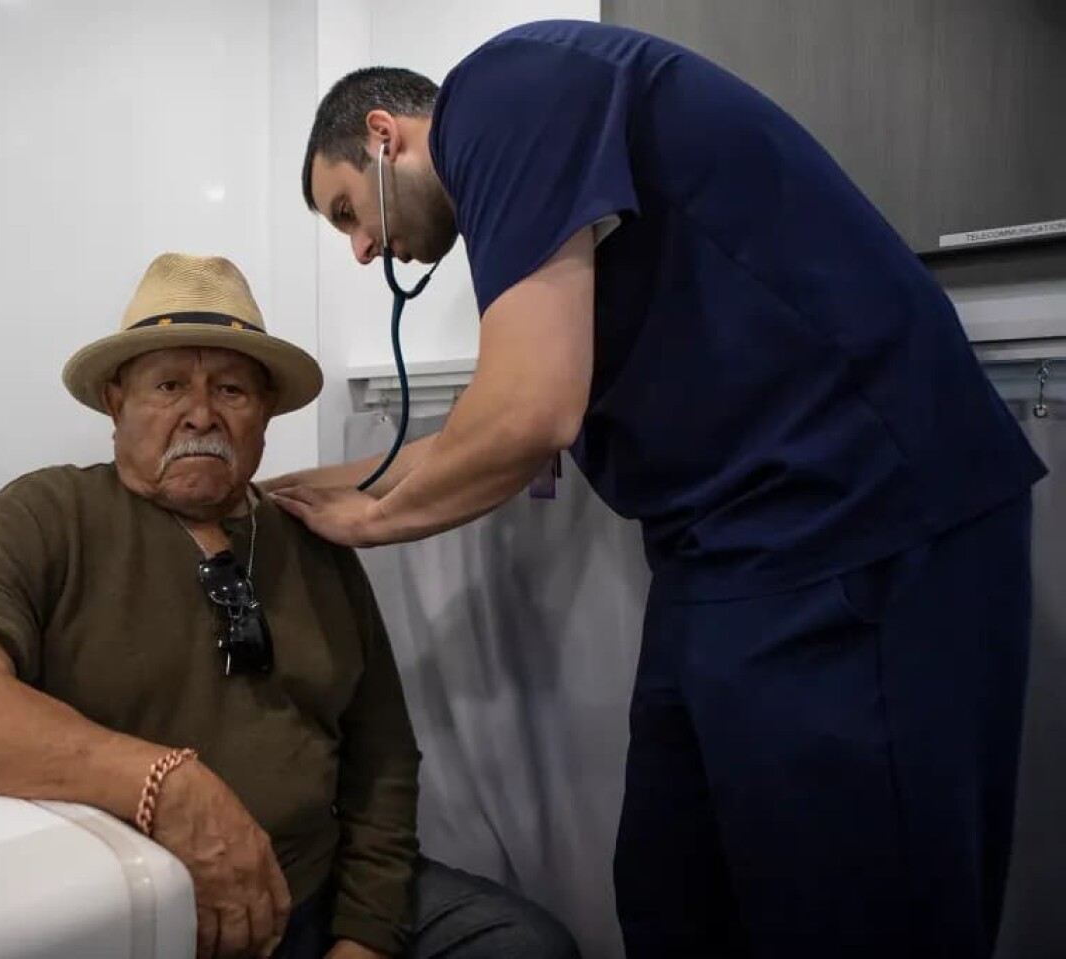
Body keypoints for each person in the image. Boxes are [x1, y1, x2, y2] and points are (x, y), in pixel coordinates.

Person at [273, 19, 1049, 959]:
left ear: (386, 134)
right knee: (672, 892)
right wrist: (292, 489)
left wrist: (371, 517)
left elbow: (526, 417)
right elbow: (483, 422)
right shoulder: (534, 198)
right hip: (724, 552)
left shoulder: (503, 90)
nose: (361, 252)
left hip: (859, 521)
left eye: (349, 211)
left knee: (856, 912)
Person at [0, 252, 579, 959]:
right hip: (147, 921)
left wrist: (364, 935)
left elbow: (384, 760)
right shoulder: (46, 513)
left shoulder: (314, 539)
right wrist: (167, 784)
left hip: (321, 893)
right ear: (117, 400)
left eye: (232, 389)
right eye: (169, 385)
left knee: (528, 945)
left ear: (266, 413)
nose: (200, 414)